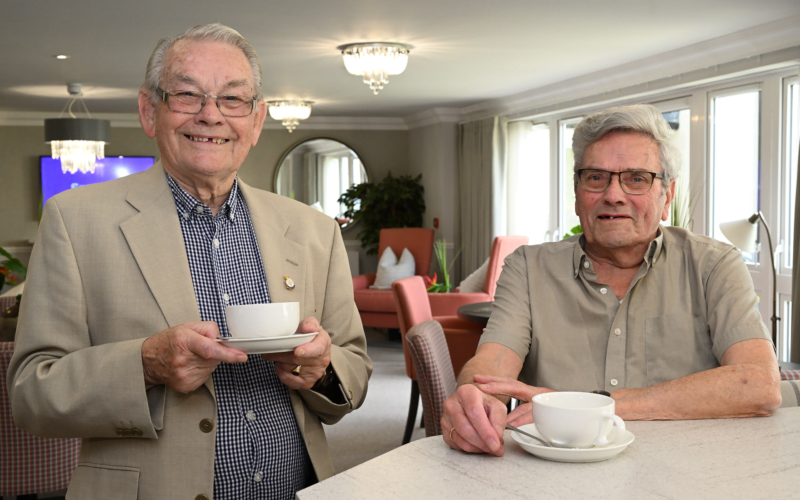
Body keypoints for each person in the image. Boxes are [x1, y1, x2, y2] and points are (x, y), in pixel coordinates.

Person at [8, 24, 372, 499]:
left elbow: (355, 369)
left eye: (232, 99)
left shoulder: (313, 230)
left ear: (257, 120)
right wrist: (145, 365)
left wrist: (320, 366)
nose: (210, 115)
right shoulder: (74, 222)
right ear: (148, 111)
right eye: (186, 95)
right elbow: (31, 394)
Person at [442, 104, 782, 457]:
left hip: (686, 473)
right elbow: (492, 366)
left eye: (637, 178)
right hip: (556, 475)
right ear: (577, 194)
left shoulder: (714, 265)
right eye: (595, 177)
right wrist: (474, 400)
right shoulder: (528, 268)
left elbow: (758, 384)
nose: (613, 194)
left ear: (667, 196)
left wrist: (599, 406)